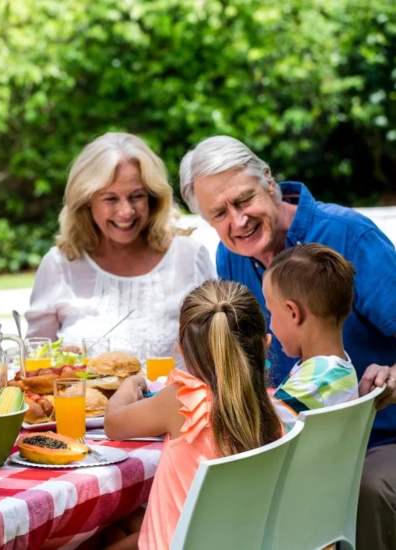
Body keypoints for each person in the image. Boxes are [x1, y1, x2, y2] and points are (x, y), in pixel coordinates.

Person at [180, 135, 396, 549]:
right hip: (286, 445)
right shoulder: (233, 258)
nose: (238, 221)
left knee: (368, 491)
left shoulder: (348, 235)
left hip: (380, 439)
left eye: (244, 201)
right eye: (220, 214)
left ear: (268, 180)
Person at [104, 280, 282, 549]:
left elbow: (113, 424)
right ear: (265, 344)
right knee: (125, 523)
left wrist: (130, 384)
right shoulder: (270, 409)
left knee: (94, 537)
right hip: (233, 540)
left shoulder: (183, 400)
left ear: (181, 348)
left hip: (179, 543)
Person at [25, 132, 214, 361]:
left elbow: (216, 353)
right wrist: (62, 363)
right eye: (110, 199)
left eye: (137, 196)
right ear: (87, 201)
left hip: (176, 398)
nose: (126, 212)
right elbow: (36, 362)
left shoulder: (189, 257)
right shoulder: (59, 264)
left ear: (153, 198)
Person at [263, 244, 359, 428]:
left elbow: (259, 427)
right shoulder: (334, 368)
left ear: (293, 312)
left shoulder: (318, 381)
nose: (271, 325)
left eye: (271, 313)